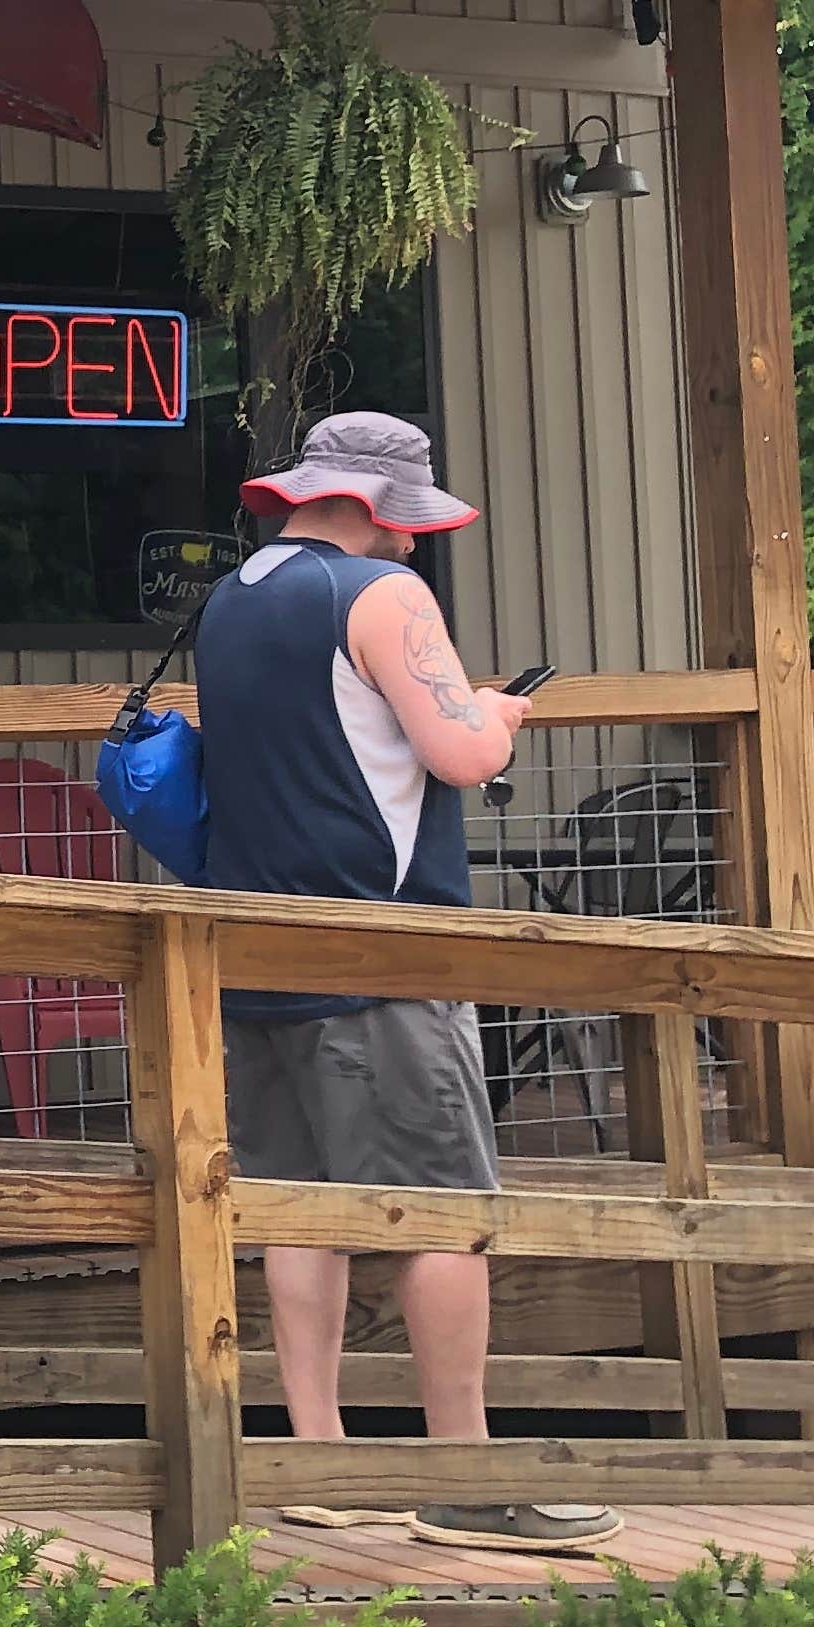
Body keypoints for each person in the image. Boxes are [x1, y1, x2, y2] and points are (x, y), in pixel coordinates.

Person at [194, 410, 616, 1557]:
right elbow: (464, 757)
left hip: (256, 944)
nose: (417, 547)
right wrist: (500, 713)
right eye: (411, 525)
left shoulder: (232, 600)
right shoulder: (383, 600)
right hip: (385, 954)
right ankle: (464, 1475)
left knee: (297, 1208)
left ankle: (320, 1460)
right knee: (444, 1210)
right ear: (380, 510)